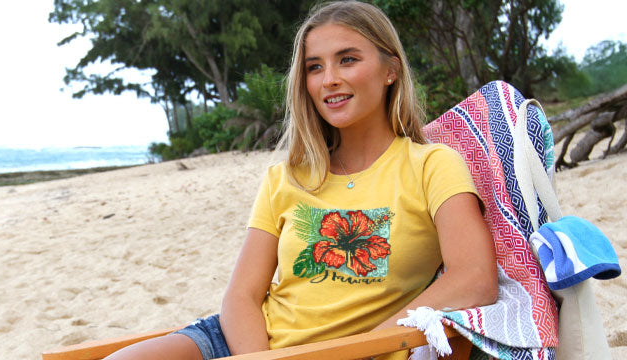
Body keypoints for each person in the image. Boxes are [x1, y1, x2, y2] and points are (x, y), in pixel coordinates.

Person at [105, 2, 499, 359]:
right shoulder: (286, 177)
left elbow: (475, 280)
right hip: (245, 343)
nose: (329, 79)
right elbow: (242, 295)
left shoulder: (432, 165)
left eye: (347, 60)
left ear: (390, 71)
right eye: (315, 66)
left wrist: (365, 348)